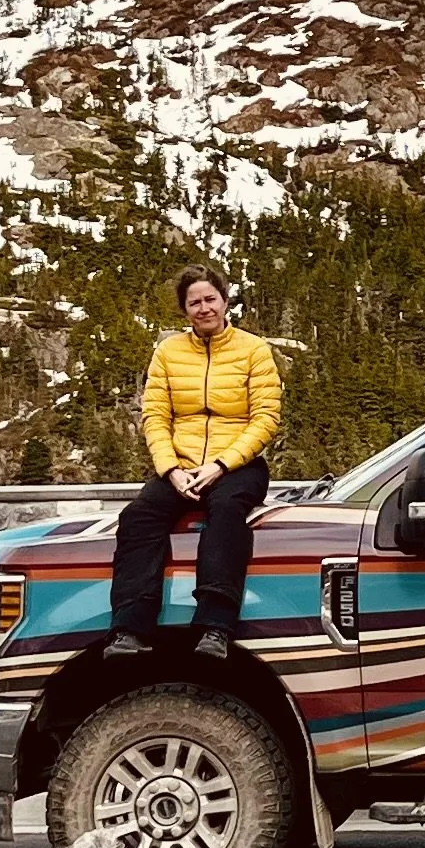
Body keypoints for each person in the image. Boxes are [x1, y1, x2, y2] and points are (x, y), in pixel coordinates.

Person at [105, 264, 282, 662]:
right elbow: (155, 417)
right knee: (138, 518)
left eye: (210, 299)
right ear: (185, 310)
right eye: (194, 302)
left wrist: (220, 465)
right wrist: (170, 470)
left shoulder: (254, 350)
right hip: (180, 466)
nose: (204, 308)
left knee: (227, 512)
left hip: (237, 465)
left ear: (224, 299)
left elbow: (265, 418)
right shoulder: (168, 353)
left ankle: (215, 625)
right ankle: (129, 628)